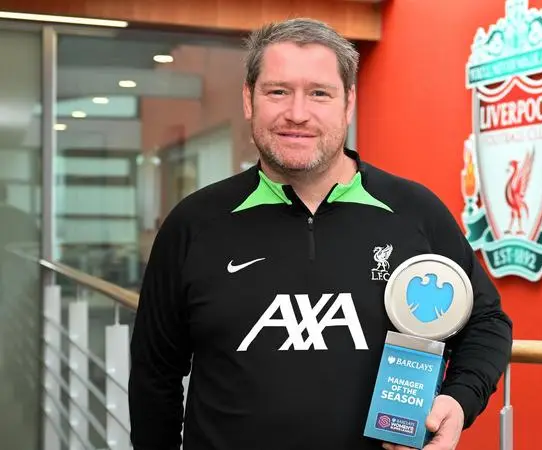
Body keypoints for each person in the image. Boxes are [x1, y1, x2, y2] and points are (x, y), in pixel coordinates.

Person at [128, 18, 513, 450]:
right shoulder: (193, 224)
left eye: (319, 93)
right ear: (249, 99)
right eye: (278, 91)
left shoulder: (414, 212)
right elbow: (154, 376)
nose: (297, 113)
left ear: (348, 103)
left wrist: (459, 401)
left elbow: (486, 322)